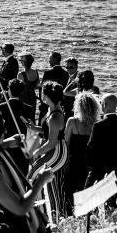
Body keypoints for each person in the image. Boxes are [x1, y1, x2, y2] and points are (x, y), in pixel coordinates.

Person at [30, 81, 69, 219]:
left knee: (33, 176)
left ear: (47, 96)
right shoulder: (52, 110)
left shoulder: (55, 116)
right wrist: (35, 128)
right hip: (55, 150)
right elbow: (50, 131)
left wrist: (36, 152)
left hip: (57, 152)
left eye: (42, 92)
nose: (40, 95)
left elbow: (51, 143)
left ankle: (45, 215)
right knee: (50, 185)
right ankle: (51, 215)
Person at [86, 94, 117, 195]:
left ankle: (91, 211)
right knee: (111, 199)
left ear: (104, 104)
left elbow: (91, 147)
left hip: (100, 166)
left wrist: (90, 165)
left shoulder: (98, 125)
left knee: (88, 192)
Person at [63, 91, 100, 210]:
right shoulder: (97, 124)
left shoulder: (72, 121)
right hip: (89, 163)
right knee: (86, 192)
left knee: (69, 192)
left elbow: (66, 142)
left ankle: (70, 218)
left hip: (73, 162)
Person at [0, 78, 34, 173]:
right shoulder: (29, 109)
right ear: (21, 92)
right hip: (23, 148)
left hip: (5, 147)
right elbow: (32, 132)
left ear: (9, 90)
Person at [41, 52, 68, 121]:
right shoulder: (66, 74)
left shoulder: (48, 73)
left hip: (48, 104)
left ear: (55, 59)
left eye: (50, 58)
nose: (49, 60)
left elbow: (43, 89)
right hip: (60, 104)